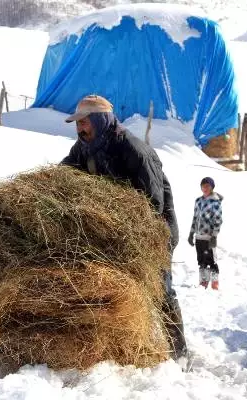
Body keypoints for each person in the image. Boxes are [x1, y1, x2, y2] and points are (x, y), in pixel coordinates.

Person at [60, 94, 188, 362]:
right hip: (116, 230)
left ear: (100, 119)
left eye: (85, 122)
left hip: (155, 230)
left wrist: (124, 226)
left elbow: (153, 202)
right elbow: (64, 174)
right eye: (77, 123)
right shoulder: (85, 146)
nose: (80, 128)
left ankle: (178, 351)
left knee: (160, 289)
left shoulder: (133, 150)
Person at [187, 177, 224, 290]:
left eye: (207, 186)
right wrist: (191, 233)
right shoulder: (198, 201)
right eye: (203, 186)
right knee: (201, 260)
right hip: (198, 236)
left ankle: (214, 282)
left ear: (212, 187)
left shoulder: (215, 201)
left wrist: (214, 235)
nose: (205, 188)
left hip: (209, 237)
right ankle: (203, 282)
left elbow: (218, 220)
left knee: (211, 260)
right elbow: (195, 218)